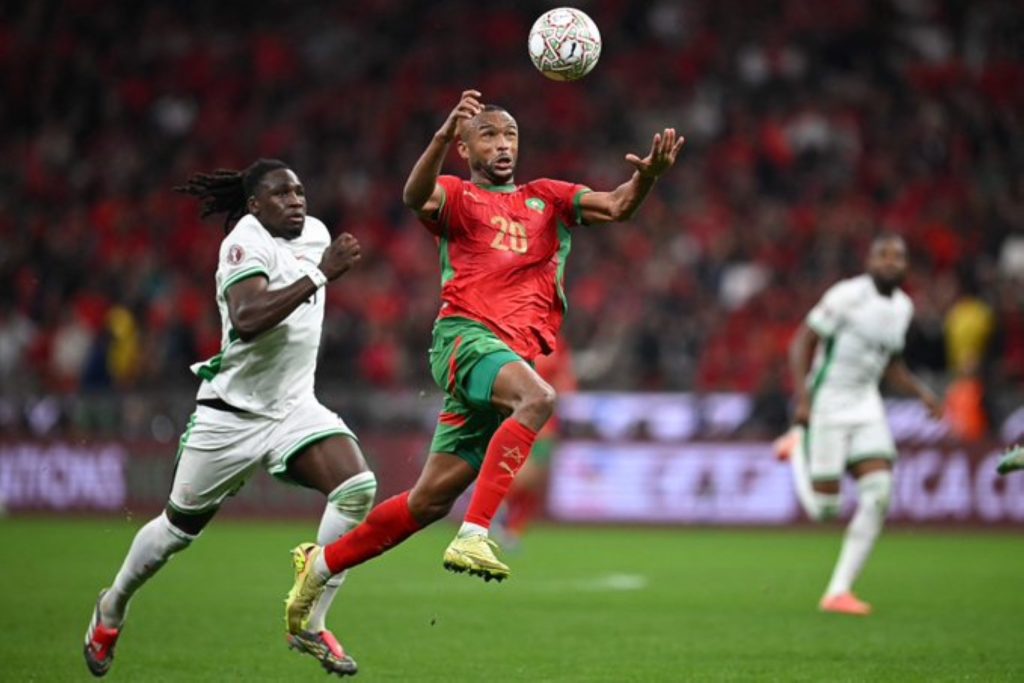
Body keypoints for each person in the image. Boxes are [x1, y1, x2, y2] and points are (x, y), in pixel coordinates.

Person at [282, 89, 685, 636]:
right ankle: (475, 532)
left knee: (428, 501)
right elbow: (414, 195)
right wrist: (440, 136)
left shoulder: (547, 198)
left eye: (510, 135)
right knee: (538, 397)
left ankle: (321, 564)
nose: (502, 144)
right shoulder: (456, 194)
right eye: (488, 135)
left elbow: (617, 205)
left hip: (504, 358)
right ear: (466, 148)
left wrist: (648, 177)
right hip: (465, 338)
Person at [83, 159, 374, 678]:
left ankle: (309, 620)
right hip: (231, 415)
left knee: (357, 488)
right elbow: (247, 319)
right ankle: (113, 604)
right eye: (281, 194)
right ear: (254, 205)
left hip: (294, 407)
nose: (296, 200)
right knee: (175, 533)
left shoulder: (316, 234)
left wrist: (320, 267)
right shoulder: (243, 242)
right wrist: (320, 273)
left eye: (299, 191)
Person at [781, 234, 943, 616]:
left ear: (906, 265)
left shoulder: (903, 307)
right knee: (826, 510)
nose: (890, 262)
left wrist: (921, 393)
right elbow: (801, 343)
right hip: (828, 402)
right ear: (869, 261)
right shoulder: (846, 296)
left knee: (879, 494)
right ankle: (795, 451)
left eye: (898, 256)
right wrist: (804, 398)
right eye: (883, 255)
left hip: (867, 404)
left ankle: (838, 591)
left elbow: (891, 364)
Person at [494, 336, 577, 547]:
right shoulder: (517, 338)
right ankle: (495, 507)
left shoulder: (557, 345)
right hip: (523, 419)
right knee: (526, 476)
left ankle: (513, 529)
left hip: (548, 424)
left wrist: (565, 390)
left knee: (538, 481)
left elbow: (565, 379)